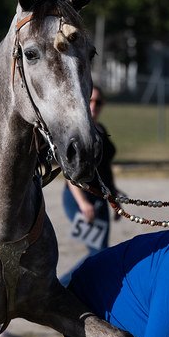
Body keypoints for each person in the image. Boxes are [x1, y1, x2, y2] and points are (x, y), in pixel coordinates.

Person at [60, 85, 118, 284]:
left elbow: (106, 170)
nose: (94, 106)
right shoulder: (77, 131)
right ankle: (62, 286)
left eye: (98, 102)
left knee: (101, 251)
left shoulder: (101, 130)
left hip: (101, 199)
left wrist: (114, 197)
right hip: (78, 199)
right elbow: (70, 175)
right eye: (89, 100)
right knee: (98, 252)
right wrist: (83, 204)